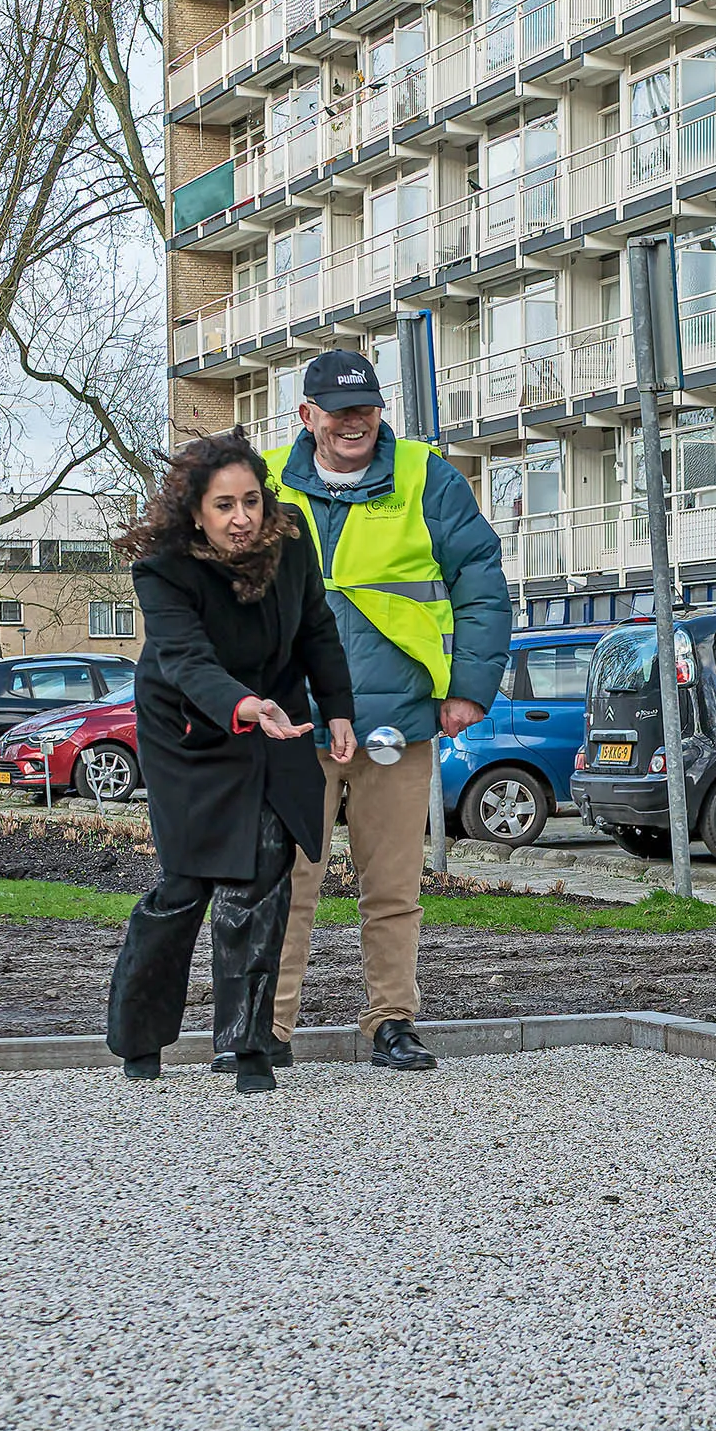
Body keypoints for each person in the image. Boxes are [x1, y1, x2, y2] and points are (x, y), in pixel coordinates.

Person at [262, 350, 511, 1073]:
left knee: (394, 888)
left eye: (366, 409)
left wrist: (469, 688)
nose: (355, 423)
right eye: (340, 411)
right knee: (282, 886)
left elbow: (481, 584)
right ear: (307, 415)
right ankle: (266, 1028)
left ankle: (392, 1021)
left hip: (395, 723)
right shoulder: (265, 481)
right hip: (293, 723)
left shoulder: (425, 477)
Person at [107, 432, 358, 1092]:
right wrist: (242, 705)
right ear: (196, 512)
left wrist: (337, 708)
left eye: (251, 500)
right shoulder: (162, 568)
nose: (242, 517)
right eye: (224, 505)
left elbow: (316, 626)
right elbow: (185, 660)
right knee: (185, 885)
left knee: (266, 867)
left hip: (275, 718)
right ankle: (140, 1036)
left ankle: (248, 1045)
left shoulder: (290, 537)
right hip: (190, 730)